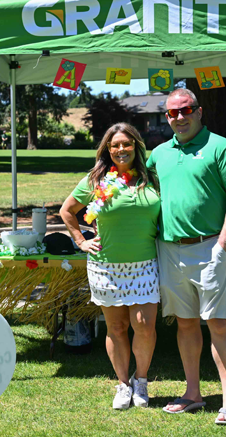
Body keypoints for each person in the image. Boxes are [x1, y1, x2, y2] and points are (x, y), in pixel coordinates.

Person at [148, 88, 226, 426]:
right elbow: (137, 188)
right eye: (173, 113)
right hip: (169, 249)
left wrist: (224, 241)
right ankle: (193, 393)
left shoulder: (222, 148)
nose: (180, 117)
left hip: (210, 248)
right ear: (166, 117)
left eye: (186, 110)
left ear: (199, 111)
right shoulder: (159, 154)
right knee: (185, 322)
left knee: (218, 323)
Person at [59, 123, 161, 410]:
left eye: (126, 144)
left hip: (145, 264)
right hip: (107, 266)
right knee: (116, 327)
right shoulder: (96, 180)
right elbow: (67, 211)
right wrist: (80, 239)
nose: (121, 150)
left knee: (144, 325)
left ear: (136, 147)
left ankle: (140, 380)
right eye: (115, 145)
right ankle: (123, 385)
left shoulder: (150, 178)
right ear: (107, 150)